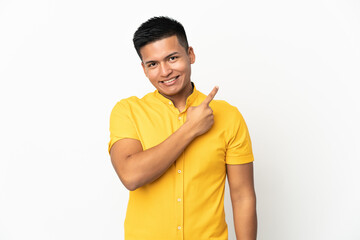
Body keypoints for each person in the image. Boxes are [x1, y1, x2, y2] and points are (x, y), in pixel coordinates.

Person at [108, 16, 257, 240]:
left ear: (190, 55)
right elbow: (131, 175)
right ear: (144, 68)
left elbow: (242, 195)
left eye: (172, 58)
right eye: (153, 64)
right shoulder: (128, 111)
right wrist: (191, 129)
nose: (165, 71)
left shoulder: (228, 116)